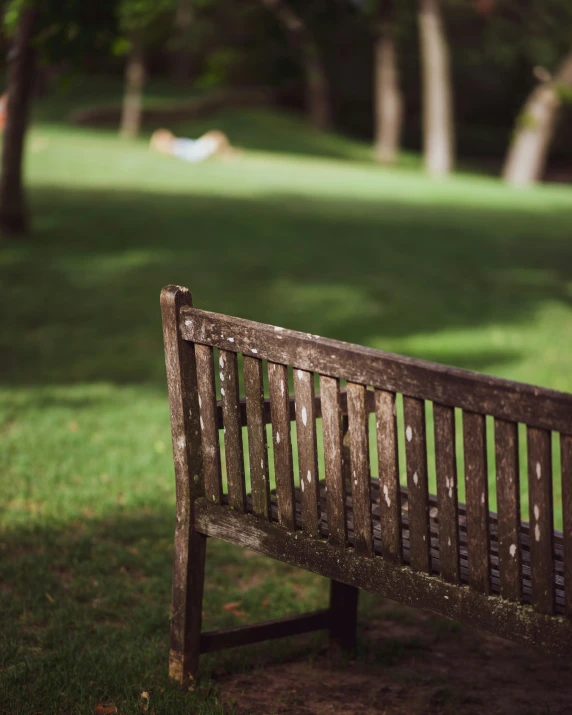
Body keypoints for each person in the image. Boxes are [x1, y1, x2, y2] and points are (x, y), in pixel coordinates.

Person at [149, 128, 238, 163]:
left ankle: (228, 153)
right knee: (216, 136)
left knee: (216, 135)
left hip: (198, 147)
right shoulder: (173, 147)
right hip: (198, 150)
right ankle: (227, 153)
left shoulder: (175, 144)